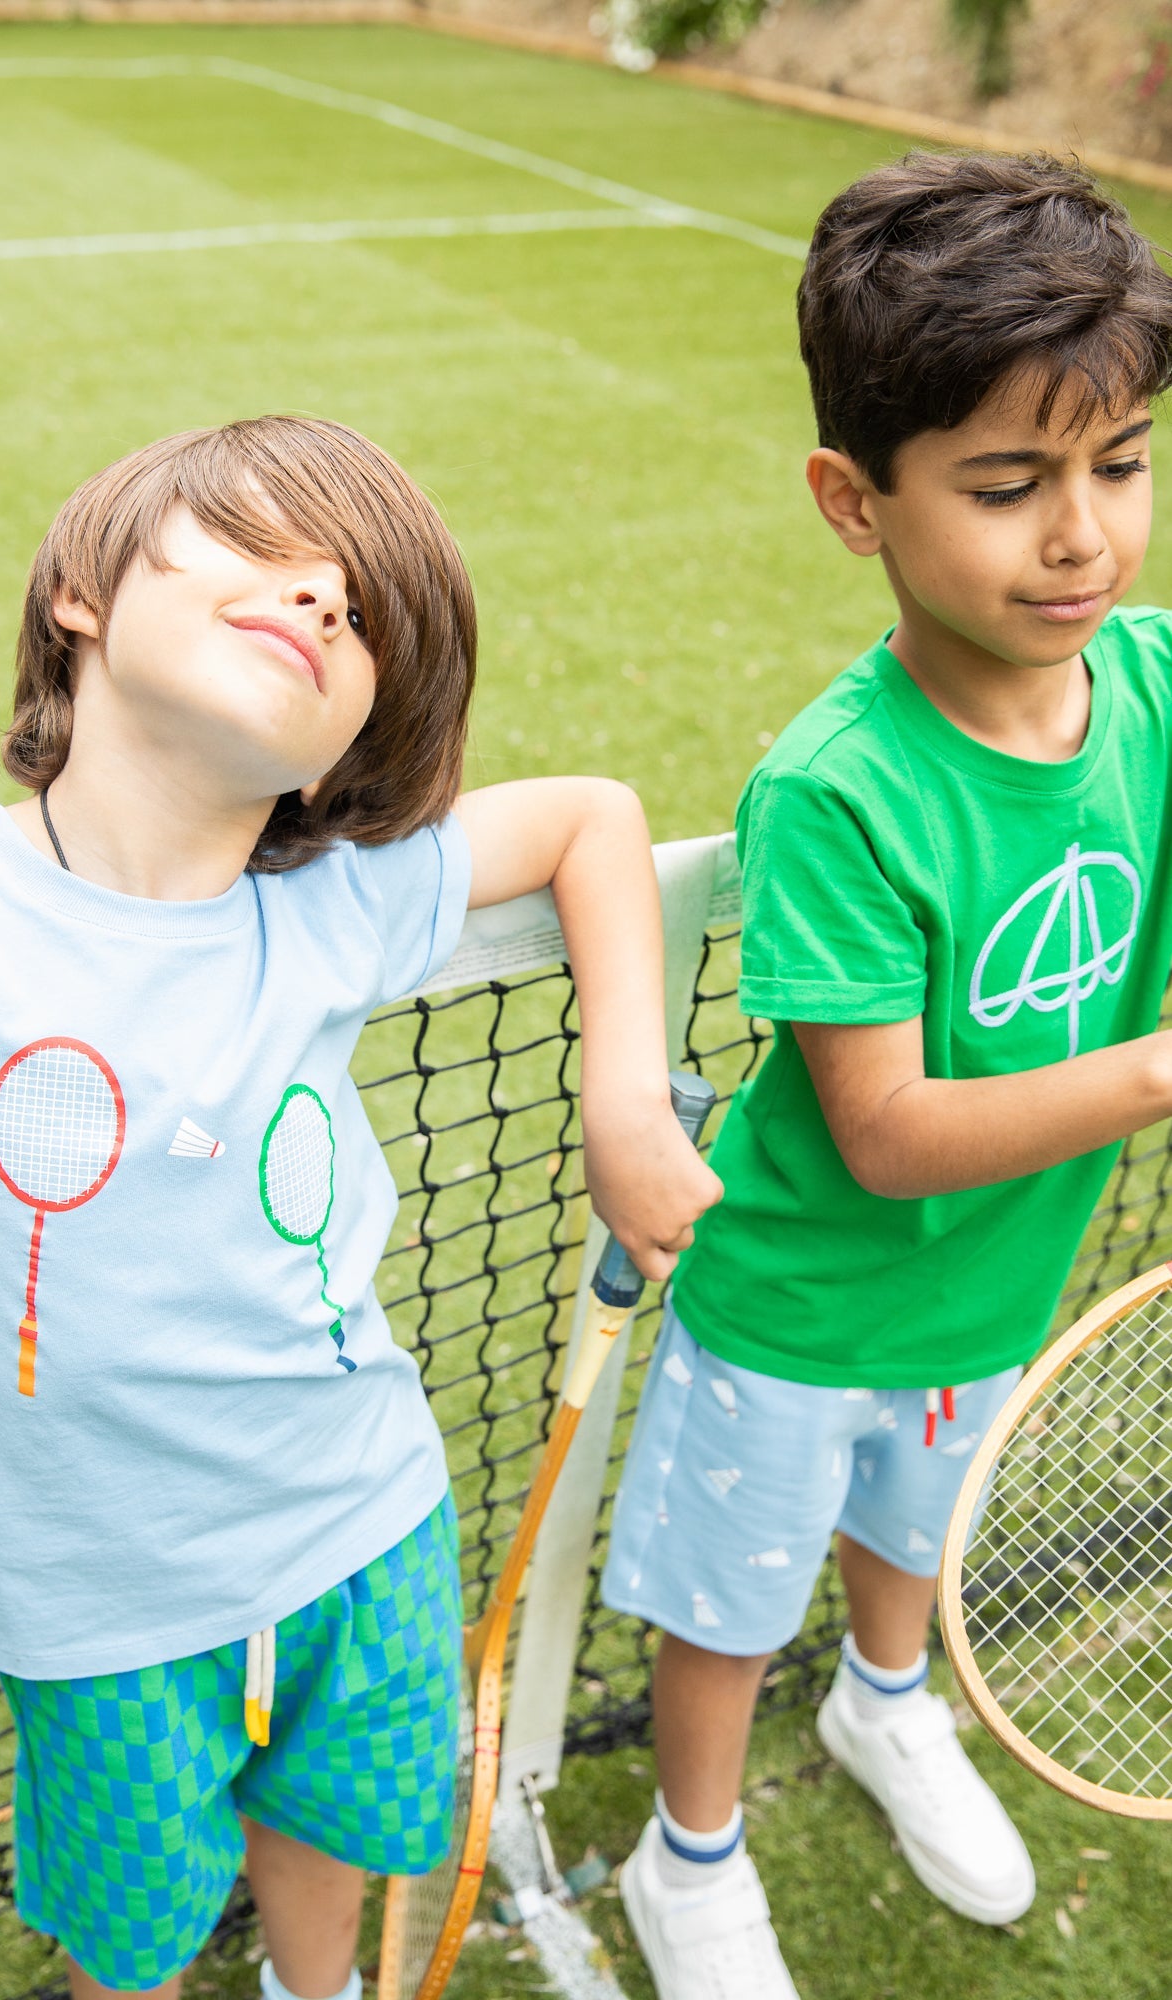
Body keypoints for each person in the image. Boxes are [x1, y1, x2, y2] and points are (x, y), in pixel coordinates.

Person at [0, 416, 720, 2000]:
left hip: (366, 1525)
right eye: (258, 545)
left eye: (360, 611)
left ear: (345, 751)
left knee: (329, 1841)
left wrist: (625, 1100)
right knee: (130, 1940)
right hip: (98, 1610)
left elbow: (590, 817)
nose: (317, 594)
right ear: (81, 597)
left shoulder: (337, 902)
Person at [602, 151, 1172, 1999]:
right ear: (854, 502)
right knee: (724, 1610)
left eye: (1120, 464)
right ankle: (687, 1858)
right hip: (798, 1311)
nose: (1078, 536)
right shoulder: (837, 790)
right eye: (1006, 487)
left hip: (997, 1293)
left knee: (911, 1539)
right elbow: (891, 1136)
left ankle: (883, 1701)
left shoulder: (1156, 689)